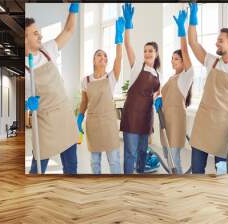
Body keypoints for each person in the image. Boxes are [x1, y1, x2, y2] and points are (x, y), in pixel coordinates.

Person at [187, 3, 228, 174]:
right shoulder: (213, 62)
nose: (216, 43)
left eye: (220, 40)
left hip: (222, 127)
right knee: (197, 171)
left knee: (222, 173)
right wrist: (193, 19)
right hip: (202, 123)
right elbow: (193, 43)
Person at [25, 3, 80, 174]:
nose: (40, 35)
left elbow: (69, 30)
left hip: (64, 116)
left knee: (71, 166)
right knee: (38, 168)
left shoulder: (47, 50)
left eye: (39, 31)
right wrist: (27, 105)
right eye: (35, 33)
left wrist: (74, 9)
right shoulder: (22, 68)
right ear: (24, 38)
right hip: (44, 122)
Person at [77, 17, 125, 174]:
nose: (103, 57)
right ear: (93, 60)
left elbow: (119, 58)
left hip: (109, 123)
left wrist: (119, 39)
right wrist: (79, 117)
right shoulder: (86, 80)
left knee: (114, 160)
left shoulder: (111, 77)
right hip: (92, 124)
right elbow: (84, 101)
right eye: (99, 55)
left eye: (105, 56)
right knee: (95, 162)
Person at [120, 3, 161, 174]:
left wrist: (159, 99)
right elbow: (128, 45)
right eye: (145, 51)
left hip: (146, 117)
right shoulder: (137, 66)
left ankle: (140, 175)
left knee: (143, 152)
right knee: (130, 152)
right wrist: (129, 25)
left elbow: (157, 94)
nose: (147, 53)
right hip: (132, 115)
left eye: (150, 51)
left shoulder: (158, 74)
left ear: (156, 53)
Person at [154, 10, 194, 174]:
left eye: (176, 58)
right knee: (167, 154)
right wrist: (159, 98)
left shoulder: (186, 76)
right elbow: (164, 94)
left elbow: (185, 50)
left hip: (176, 119)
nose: (172, 60)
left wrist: (181, 30)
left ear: (184, 61)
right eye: (171, 58)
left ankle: (178, 183)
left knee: (174, 155)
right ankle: (173, 178)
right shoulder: (172, 78)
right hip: (164, 118)